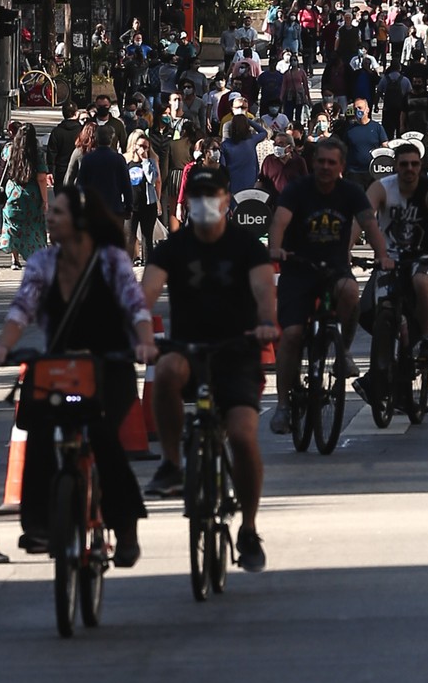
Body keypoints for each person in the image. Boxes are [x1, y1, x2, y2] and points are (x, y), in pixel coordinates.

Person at [0, 185, 156, 565]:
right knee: (40, 431)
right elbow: (21, 309)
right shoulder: (42, 263)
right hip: (61, 367)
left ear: (80, 221)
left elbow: (136, 307)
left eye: (58, 213)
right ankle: (39, 525)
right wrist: (3, 346)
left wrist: (144, 343)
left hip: (109, 365)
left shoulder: (111, 260)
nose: (50, 218)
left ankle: (124, 525)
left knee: (102, 436)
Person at [141, 169, 279, 573]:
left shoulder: (245, 247)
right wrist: (139, 333)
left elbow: (263, 291)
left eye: (211, 194)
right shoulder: (173, 248)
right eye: (196, 194)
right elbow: (145, 294)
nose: (203, 202)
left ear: (226, 199)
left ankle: (249, 528)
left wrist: (267, 322)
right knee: (165, 371)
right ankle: (171, 463)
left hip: (238, 349)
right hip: (188, 347)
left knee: (240, 433)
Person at [267, 136, 392, 435]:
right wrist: (275, 247)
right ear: (313, 163)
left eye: (331, 163)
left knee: (350, 291)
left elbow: (370, 224)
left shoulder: (349, 192)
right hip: (298, 268)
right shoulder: (298, 190)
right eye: (321, 161)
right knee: (292, 335)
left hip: (334, 267)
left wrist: (384, 255)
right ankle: (284, 405)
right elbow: (280, 222)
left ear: (341, 166)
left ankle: (344, 351)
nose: (325, 167)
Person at [359, 142, 428, 384]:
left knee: (421, 282)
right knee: (367, 311)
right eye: (404, 164)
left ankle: (427, 339)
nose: (409, 169)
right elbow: (363, 219)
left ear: (421, 165)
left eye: (414, 164)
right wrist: (345, 250)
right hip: (389, 258)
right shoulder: (382, 188)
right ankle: (387, 354)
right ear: (395, 166)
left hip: (425, 256)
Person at [0, 123, 48, 272]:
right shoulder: (37, 152)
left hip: (13, 191)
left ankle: (14, 259)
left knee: (13, 225)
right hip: (32, 193)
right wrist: (45, 200)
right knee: (34, 226)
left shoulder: (9, 149)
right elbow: (41, 178)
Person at [76, 122, 134, 222]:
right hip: (114, 208)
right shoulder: (118, 159)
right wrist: (129, 207)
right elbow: (126, 185)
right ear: (111, 139)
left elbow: (80, 184)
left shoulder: (88, 159)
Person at [124, 129, 162, 265]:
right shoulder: (126, 161)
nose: (143, 149)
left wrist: (145, 161)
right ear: (134, 146)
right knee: (129, 237)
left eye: (146, 147)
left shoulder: (151, 161)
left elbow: (153, 179)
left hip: (148, 204)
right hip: (131, 205)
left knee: (147, 237)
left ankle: (148, 265)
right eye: (140, 146)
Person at [344, 98, 388, 187]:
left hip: (373, 172)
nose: (358, 111)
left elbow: (385, 147)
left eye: (360, 108)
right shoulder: (349, 130)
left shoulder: (377, 128)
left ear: (367, 110)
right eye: (355, 109)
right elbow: (343, 150)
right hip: (354, 173)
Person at [46, 100, 83, 187]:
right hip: (78, 169)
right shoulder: (82, 131)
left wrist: (50, 170)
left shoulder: (56, 132)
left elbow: (51, 153)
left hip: (60, 170)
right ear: (76, 113)